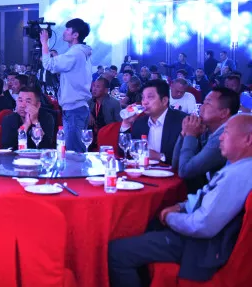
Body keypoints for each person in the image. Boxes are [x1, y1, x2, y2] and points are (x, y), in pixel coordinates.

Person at [108, 114, 252, 287]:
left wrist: (169, 218)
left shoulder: (240, 175)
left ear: (248, 139)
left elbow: (202, 225)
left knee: (117, 252)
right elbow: (206, 196)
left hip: (203, 246)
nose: (220, 137)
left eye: (226, 132)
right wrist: (180, 206)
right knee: (145, 225)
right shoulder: (237, 165)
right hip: (202, 234)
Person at [40, 18, 92, 153]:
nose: (64, 32)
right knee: (75, 150)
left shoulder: (75, 53)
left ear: (76, 35)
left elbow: (48, 64)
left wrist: (44, 43)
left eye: (68, 29)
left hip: (74, 109)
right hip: (77, 108)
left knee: (74, 152)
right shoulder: (80, 52)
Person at [172, 87, 239, 192]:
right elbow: (175, 165)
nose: (201, 107)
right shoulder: (207, 130)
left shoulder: (224, 137)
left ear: (224, 113)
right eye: (203, 103)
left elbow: (185, 171)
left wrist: (190, 135)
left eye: (207, 103)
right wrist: (184, 133)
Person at [121, 79, 187, 163]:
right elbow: (125, 153)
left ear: (164, 101)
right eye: (143, 98)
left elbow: (187, 159)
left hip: (171, 170)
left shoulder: (182, 122)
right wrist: (126, 123)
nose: (144, 102)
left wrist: (159, 156)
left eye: (150, 97)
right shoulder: (140, 122)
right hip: (143, 169)